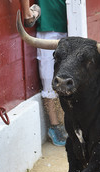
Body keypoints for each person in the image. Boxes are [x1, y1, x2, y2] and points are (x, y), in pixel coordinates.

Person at [21, 0, 68, 146]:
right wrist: (28, 13)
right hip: (47, 28)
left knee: (70, 78)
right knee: (49, 78)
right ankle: (55, 125)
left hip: (72, 24)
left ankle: (68, 124)